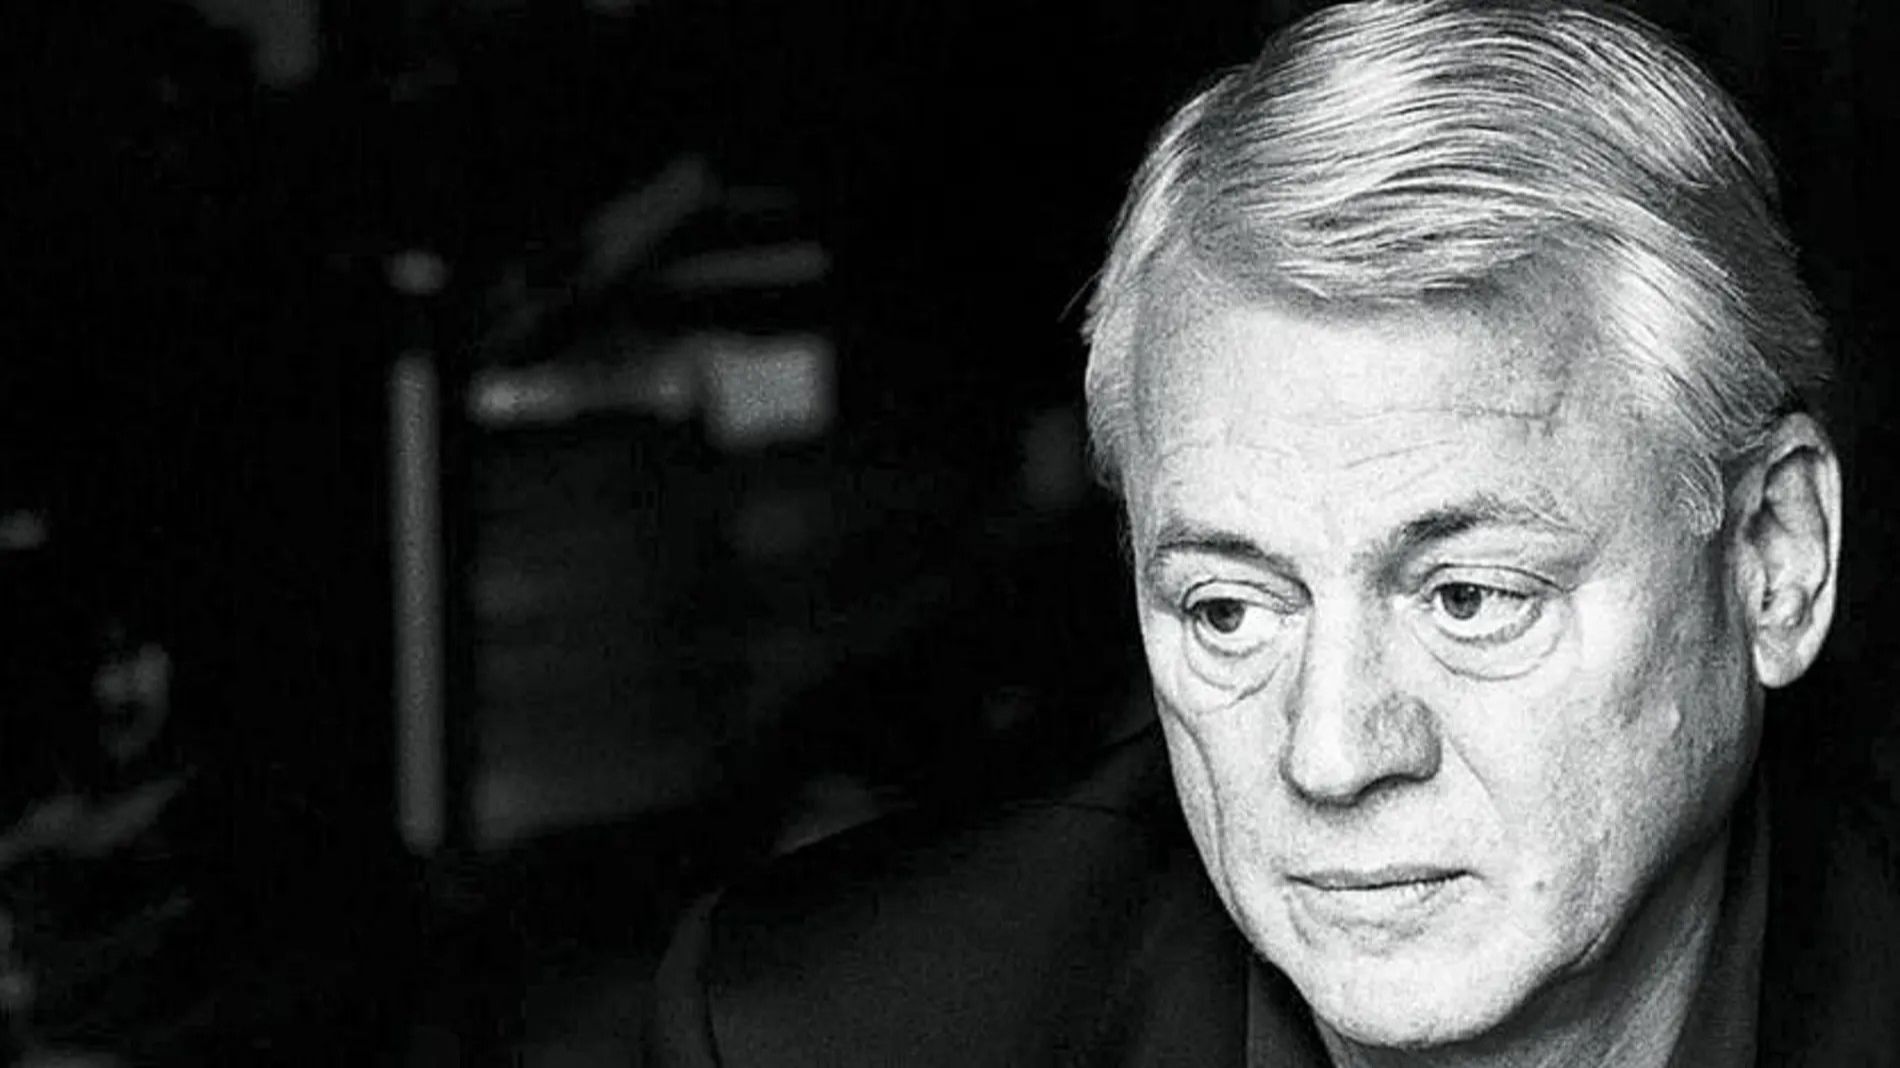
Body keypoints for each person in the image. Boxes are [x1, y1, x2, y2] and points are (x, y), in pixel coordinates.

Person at [645, 1, 1898, 1064]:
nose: (1331, 757)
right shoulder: (809, 1032)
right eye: (1229, 610)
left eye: (1468, 598)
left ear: (1772, 559)